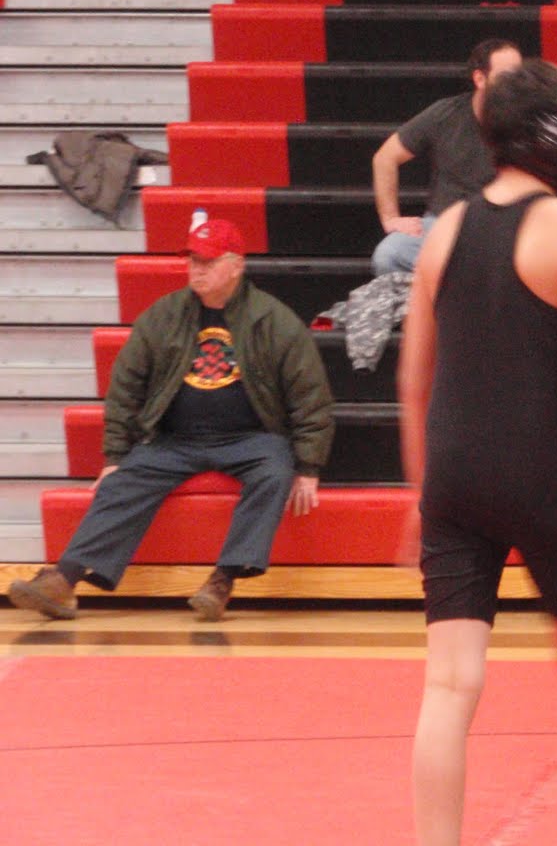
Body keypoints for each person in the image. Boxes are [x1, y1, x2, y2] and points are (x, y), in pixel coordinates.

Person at [397, 59, 557, 846]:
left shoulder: (445, 234)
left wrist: (421, 494)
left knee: (450, 683)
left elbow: (413, 381)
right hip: (543, 477)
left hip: (456, 477)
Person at [7, 217, 333, 622]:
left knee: (275, 471)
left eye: (208, 262)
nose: (197, 268)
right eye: (192, 259)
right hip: (176, 439)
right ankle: (64, 579)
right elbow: (126, 385)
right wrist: (114, 456)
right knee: (123, 481)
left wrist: (308, 465)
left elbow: (310, 395)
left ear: (236, 265)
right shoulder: (163, 315)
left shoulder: (274, 319)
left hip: (251, 437)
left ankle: (222, 581)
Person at [370, 38, 524, 275]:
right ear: (480, 79)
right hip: (442, 225)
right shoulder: (446, 114)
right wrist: (390, 218)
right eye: (506, 76)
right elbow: (385, 158)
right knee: (389, 255)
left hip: (501, 229)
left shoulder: (528, 121)